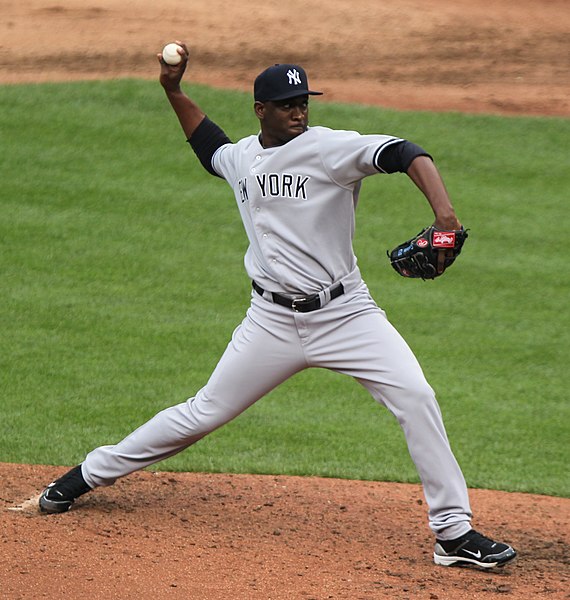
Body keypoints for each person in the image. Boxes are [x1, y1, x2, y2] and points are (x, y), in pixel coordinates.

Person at [39, 42, 516, 570]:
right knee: (203, 413)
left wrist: (446, 219)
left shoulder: (332, 148)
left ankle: (453, 533)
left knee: (417, 397)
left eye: (303, 101)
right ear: (260, 110)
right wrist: (174, 91)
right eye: (286, 103)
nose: (298, 111)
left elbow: (407, 152)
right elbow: (208, 146)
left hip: (346, 314)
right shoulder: (243, 156)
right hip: (269, 322)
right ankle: (86, 474)